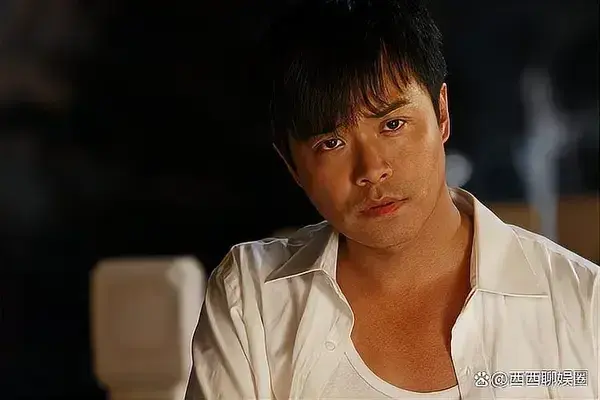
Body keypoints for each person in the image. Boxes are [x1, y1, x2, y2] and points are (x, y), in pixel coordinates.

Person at [185, 0, 599, 398]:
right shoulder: (254, 298)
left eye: (393, 124)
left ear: (441, 113)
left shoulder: (582, 303)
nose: (371, 169)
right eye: (331, 143)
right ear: (292, 165)